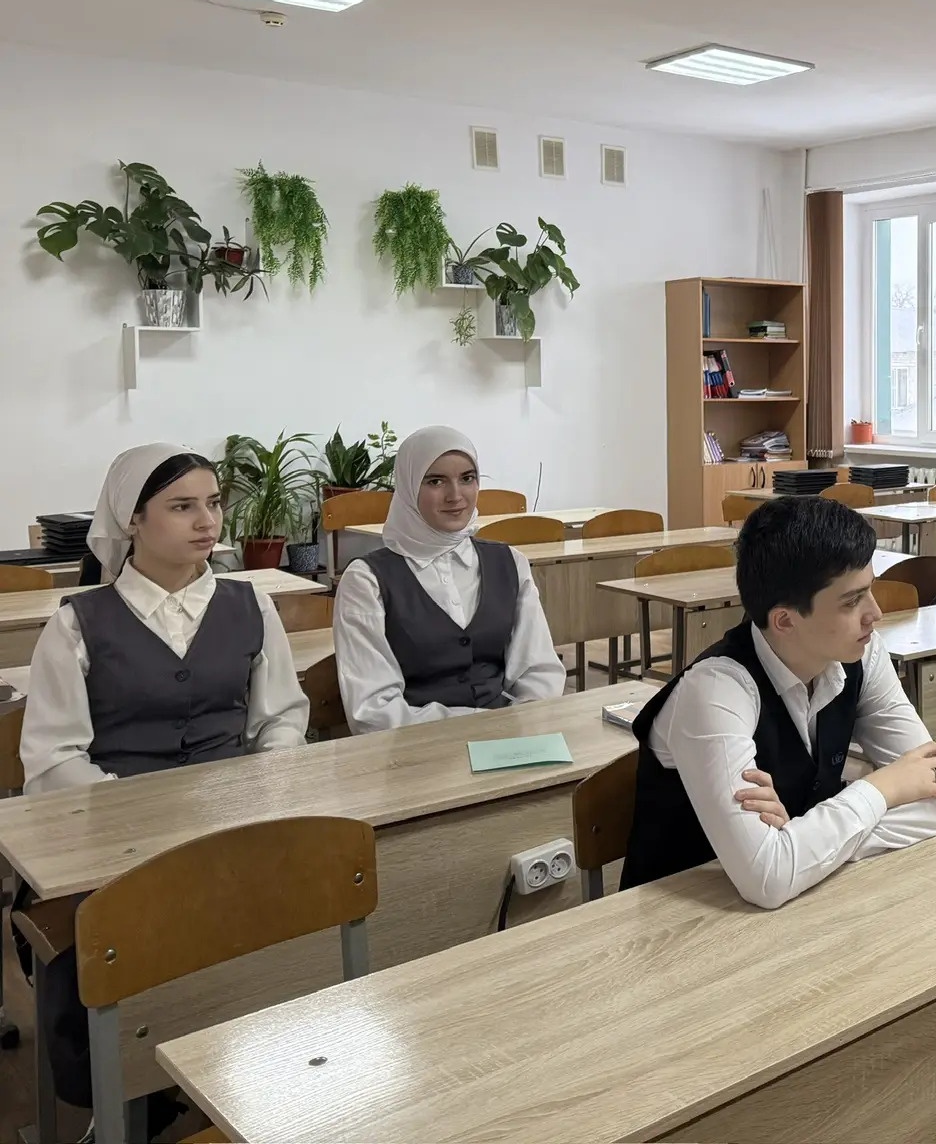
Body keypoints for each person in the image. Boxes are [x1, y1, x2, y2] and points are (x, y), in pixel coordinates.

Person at [16, 442, 311, 1117]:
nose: (207, 521)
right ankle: (137, 1090)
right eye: (182, 507)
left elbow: (281, 720)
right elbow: (55, 759)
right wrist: (140, 819)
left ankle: (257, 1072)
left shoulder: (251, 607)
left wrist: (261, 789)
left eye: (213, 503)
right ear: (133, 520)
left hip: (237, 825)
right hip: (115, 839)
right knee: (133, 932)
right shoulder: (77, 624)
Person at [621, 496, 936, 905]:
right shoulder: (713, 691)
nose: (875, 613)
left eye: (870, 590)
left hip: (801, 907)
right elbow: (768, 879)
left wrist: (798, 842)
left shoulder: (863, 653)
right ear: (784, 620)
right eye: (851, 601)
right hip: (678, 923)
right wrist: (883, 787)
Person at [334, 426, 563, 732]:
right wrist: (480, 727)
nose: (455, 496)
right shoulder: (366, 581)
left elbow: (539, 672)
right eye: (435, 481)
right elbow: (372, 710)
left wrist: (520, 727)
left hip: (509, 739)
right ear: (408, 487)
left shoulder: (510, 562)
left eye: (467, 478)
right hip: (416, 747)